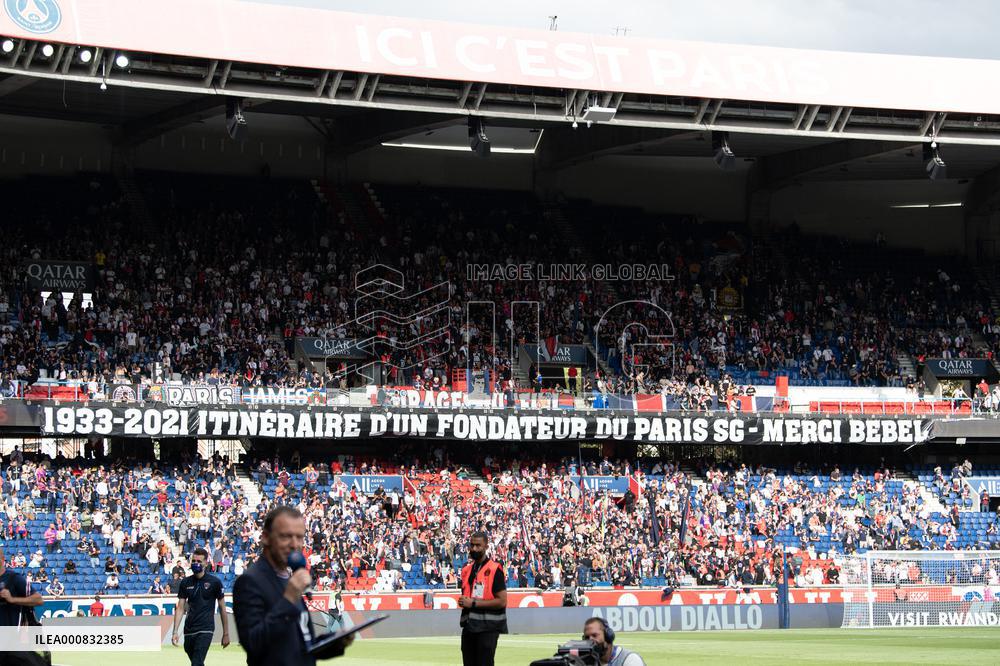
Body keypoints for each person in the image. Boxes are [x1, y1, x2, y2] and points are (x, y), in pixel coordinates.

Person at [233, 506, 352, 666]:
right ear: (265, 537)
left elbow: (301, 646)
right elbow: (254, 644)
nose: (294, 544)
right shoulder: (249, 582)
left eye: (299, 537)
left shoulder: (289, 579)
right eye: (286, 536)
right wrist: (289, 599)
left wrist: (336, 641)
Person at [172, 547, 230, 666]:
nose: (195, 564)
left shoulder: (215, 582)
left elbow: (223, 609)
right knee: (196, 661)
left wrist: (226, 633)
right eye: (194, 561)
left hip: (205, 629)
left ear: (206, 563)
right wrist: (175, 631)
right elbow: (180, 608)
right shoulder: (185, 582)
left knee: (196, 663)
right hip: (189, 629)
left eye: (199, 561)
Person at [458, 531, 508, 666]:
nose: (474, 549)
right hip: (469, 627)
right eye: (472, 545)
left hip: (488, 628)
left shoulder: (494, 569)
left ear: (486, 546)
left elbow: (502, 601)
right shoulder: (466, 570)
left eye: (478, 545)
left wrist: (472, 603)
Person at [0, 544, 46, 665]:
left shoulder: (13, 578)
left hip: (9, 642)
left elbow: (38, 599)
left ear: (2, 559)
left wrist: (12, 599)